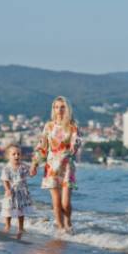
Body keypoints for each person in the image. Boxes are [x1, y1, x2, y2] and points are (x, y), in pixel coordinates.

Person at [30, 96, 81, 234]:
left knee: (65, 203)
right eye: (56, 107)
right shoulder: (49, 126)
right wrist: (34, 163)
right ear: (53, 109)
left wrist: (74, 146)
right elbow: (42, 146)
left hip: (67, 167)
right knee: (56, 202)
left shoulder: (72, 126)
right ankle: (60, 229)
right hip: (51, 167)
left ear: (67, 108)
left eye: (62, 107)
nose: (59, 110)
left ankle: (68, 222)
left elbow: (76, 142)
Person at [1, 144, 34, 239]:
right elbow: (5, 180)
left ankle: (21, 227)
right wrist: (7, 189)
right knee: (8, 209)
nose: (16, 156)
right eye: (14, 154)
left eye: (18, 154)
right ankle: (7, 225)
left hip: (22, 192)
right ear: (8, 156)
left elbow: (31, 174)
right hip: (11, 191)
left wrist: (34, 167)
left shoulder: (23, 167)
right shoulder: (6, 168)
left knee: (21, 210)